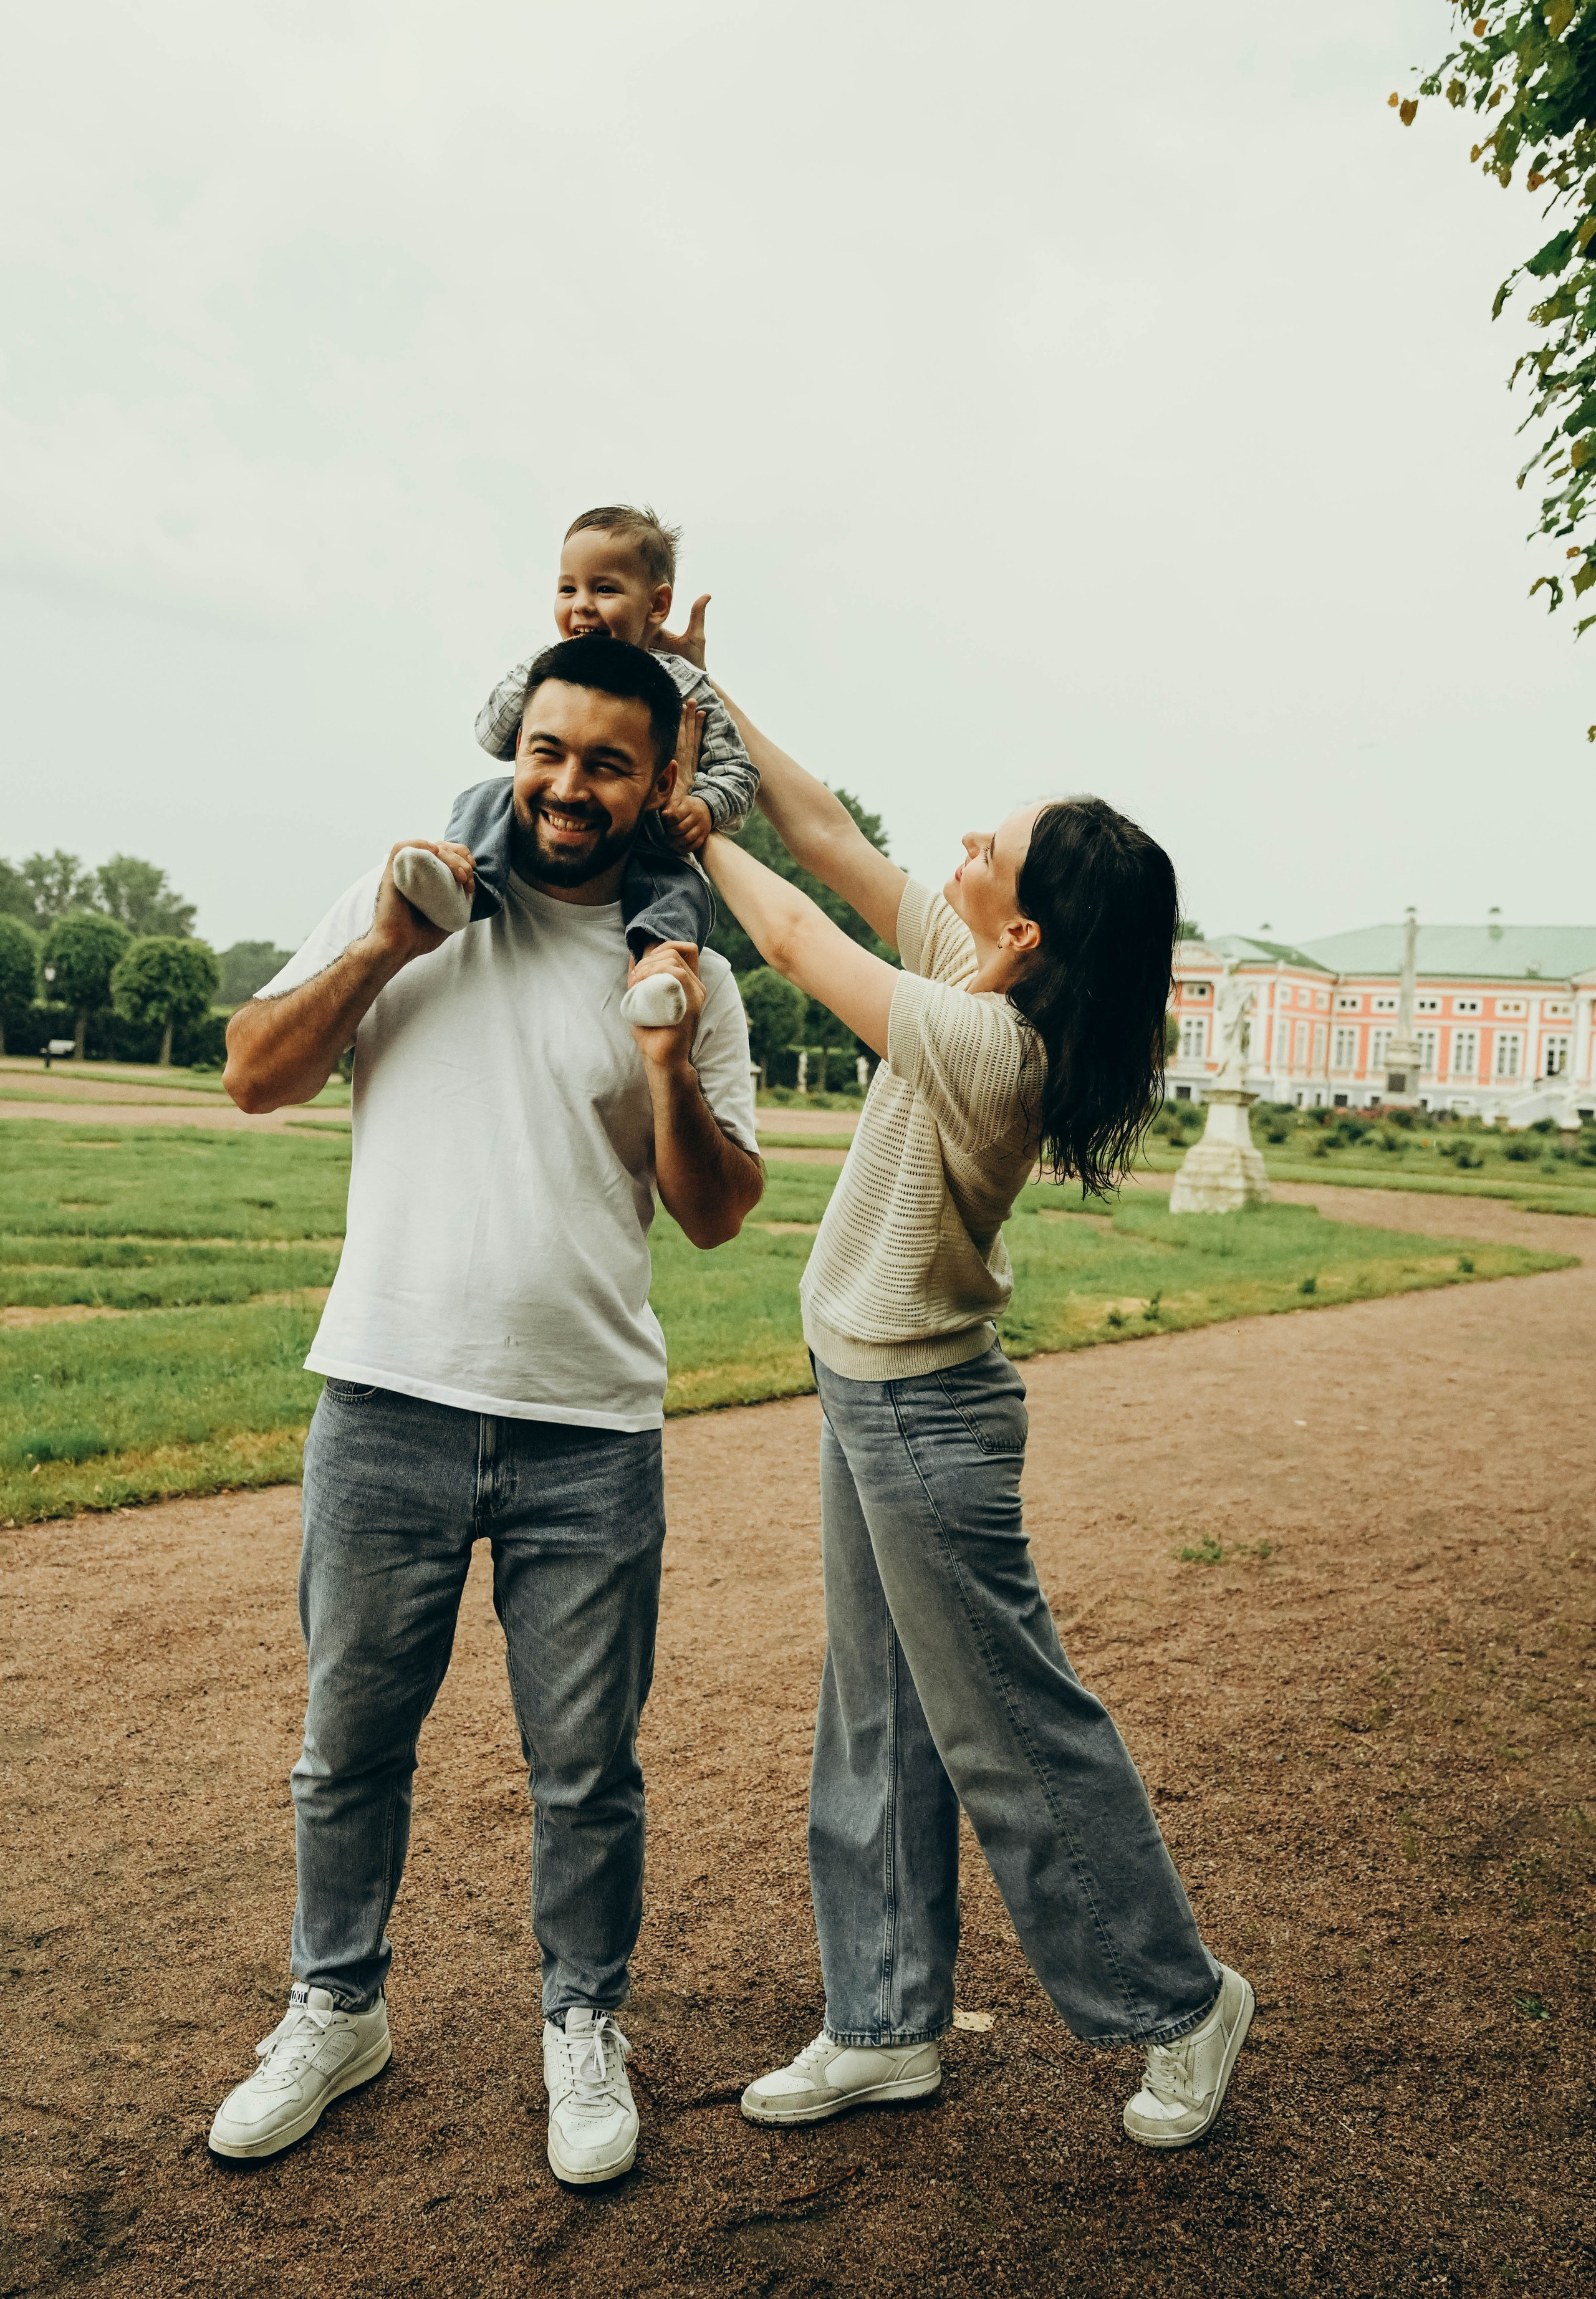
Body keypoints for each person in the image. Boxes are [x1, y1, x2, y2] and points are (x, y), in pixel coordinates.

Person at [210, 634, 764, 2186]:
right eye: (546, 750)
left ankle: (582, 2025)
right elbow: (253, 1074)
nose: (566, 786)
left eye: (604, 761)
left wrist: (661, 1059)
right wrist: (389, 938)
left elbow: (715, 1212)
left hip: (588, 1427)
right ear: (510, 747)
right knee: (347, 1747)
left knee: (585, 1767)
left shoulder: (686, 969)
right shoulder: (412, 891)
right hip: (385, 1394)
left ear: (657, 781)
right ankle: (335, 2005)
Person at [697, 690, 1254, 2152]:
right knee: (874, 1716)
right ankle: (881, 2022)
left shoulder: (988, 1044)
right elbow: (823, 835)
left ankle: (1178, 1996)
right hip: (869, 1389)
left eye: (988, 846)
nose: (955, 843)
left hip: (921, 1419)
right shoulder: (986, 977)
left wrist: (685, 827)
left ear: (1023, 932)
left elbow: (791, 936)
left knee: (1008, 1729)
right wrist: (697, 692)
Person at [392, 506, 757, 1032]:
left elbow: (740, 774)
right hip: (551, 847)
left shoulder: (687, 688)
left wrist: (702, 804)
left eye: (605, 590)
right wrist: (552, 665)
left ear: (656, 605)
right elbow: (493, 737)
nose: (582, 605)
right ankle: (462, 886)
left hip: (652, 841)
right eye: (568, 590)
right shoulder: (550, 671)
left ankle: (657, 973)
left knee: (682, 890)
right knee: (488, 796)